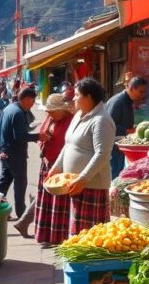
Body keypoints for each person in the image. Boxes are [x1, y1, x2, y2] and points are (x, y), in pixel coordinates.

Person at [44, 78, 115, 240]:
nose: (73, 98)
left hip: (92, 185)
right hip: (75, 184)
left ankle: (90, 264)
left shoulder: (101, 120)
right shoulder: (78, 116)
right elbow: (68, 145)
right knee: (78, 231)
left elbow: (102, 154)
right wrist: (56, 167)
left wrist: (83, 179)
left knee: (90, 234)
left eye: (77, 95)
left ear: (89, 97)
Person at [18, 93, 74, 239]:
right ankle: (31, 225)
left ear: (62, 109)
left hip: (61, 165)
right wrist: (44, 140)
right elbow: (42, 134)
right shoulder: (50, 118)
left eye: (52, 111)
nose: (49, 114)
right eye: (48, 111)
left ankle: (54, 234)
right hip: (47, 162)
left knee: (56, 200)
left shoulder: (70, 121)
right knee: (45, 197)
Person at [0, 87, 38, 218]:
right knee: (20, 183)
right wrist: (38, 136)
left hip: (6, 151)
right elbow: (20, 136)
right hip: (15, 154)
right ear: (25, 99)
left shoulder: (9, 108)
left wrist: (0, 149)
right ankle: (21, 214)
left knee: (4, 181)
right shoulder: (18, 113)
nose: (33, 103)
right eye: (32, 100)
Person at [105, 76, 147, 178]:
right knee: (114, 173)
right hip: (112, 145)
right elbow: (108, 125)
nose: (143, 95)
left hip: (120, 144)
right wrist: (128, 131)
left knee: (119, 171)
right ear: (132, 88)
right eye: (141, 92)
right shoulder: (118, 102)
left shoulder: (127, 101)